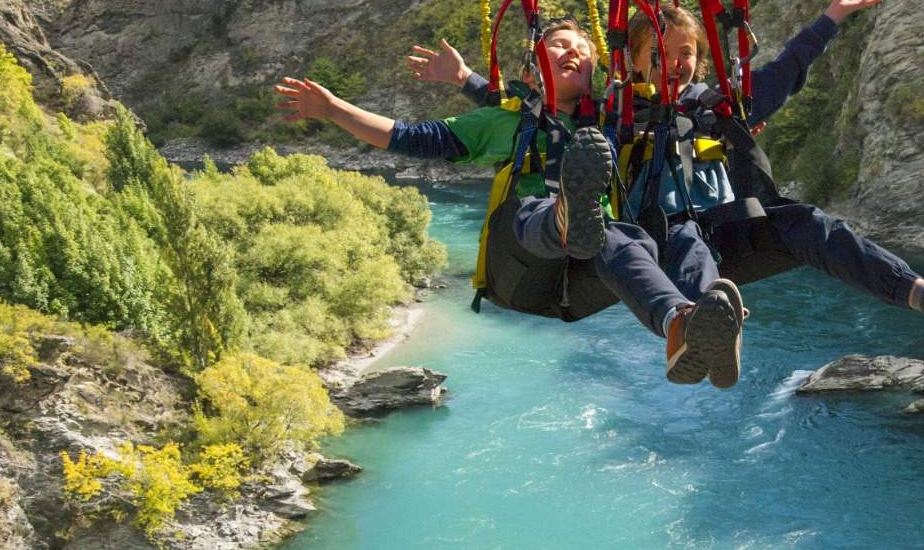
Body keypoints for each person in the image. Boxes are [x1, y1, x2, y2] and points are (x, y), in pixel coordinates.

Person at [417, 0, 924, 361]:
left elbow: (784, 73)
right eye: (665, 55)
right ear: (639, 63)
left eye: (688, 54)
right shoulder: (615, 111)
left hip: (717, 237)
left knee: (803, 221)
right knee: (681, 231)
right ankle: (695, 330)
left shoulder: (715, 106)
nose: (678, 65)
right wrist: (470, 83)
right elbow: (540, 112)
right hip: (653, 244)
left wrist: (829, 19)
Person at [277, 23, 753, 388]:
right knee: (540, 211)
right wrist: (334, 109)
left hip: (592, 258)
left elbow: (673, 104)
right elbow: (410, 138)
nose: (576, 54)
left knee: (632, 236)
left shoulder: (613, 116)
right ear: (530, 70)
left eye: (586, 54)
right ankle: (567, 212)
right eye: (562, 46)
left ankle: (683, 323)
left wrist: (731, 123)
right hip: (522, 253)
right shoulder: (506, 122)